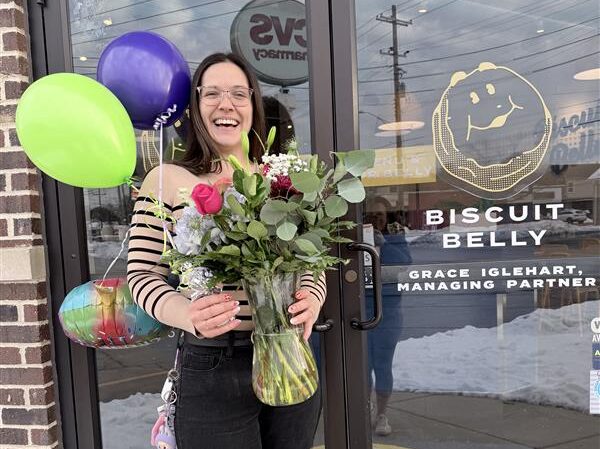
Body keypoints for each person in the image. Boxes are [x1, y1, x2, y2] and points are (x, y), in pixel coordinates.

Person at [127, 53, 326, 449]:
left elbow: (311, 258)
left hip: (290, 355)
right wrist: (186, 314)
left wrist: (312, 295)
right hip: (215, 364)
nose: (226, 104)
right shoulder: (167, 179)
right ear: (195, 107)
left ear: (253, 105)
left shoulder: (280, 179)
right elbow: (141, 275)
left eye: (239, 93)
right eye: (212, 93)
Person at [364, 196, 412, 436]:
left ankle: (382, 414)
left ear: (386, 218)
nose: (375, 220)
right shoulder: (356, 237)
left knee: (383, 365)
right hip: (359, 310)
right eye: (370, 216)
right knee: (361, 365)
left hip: (388, 311)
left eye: (379, 216)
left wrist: (385, 244)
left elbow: (405, 263)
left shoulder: (394, 236)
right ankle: (363, 410)